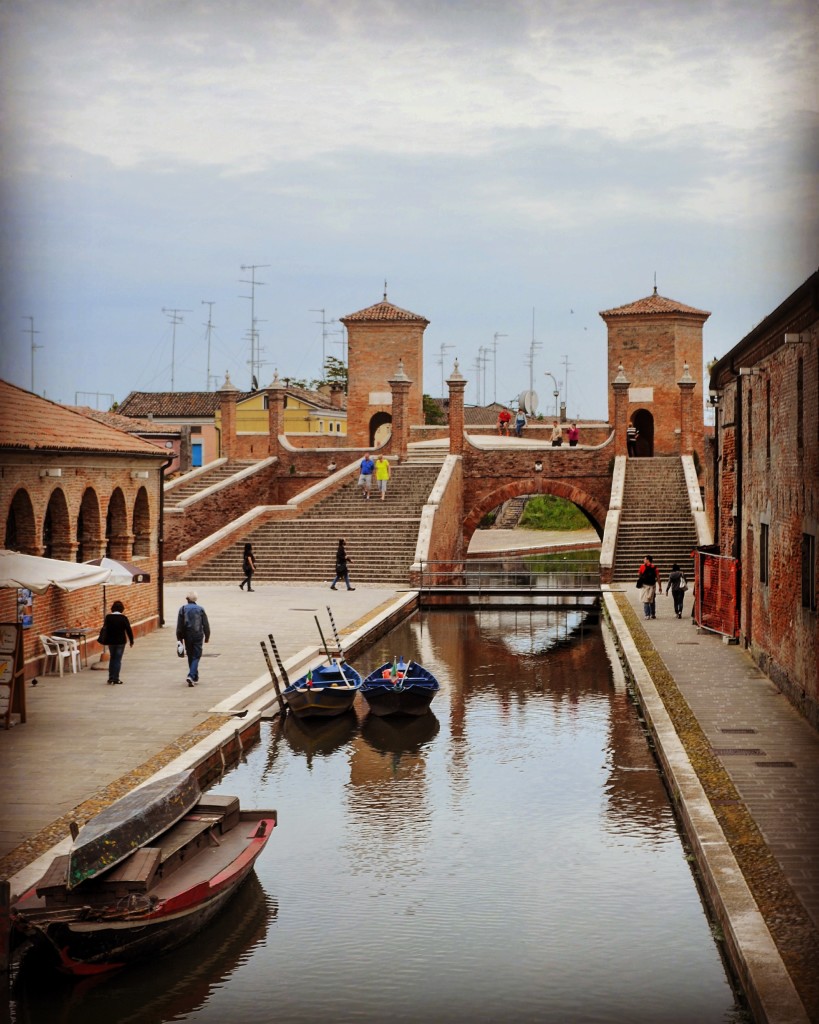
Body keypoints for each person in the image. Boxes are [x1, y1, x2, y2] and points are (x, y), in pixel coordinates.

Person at [176, 590, 211, 687]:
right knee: (196, 656)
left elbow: (179, 626)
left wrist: (179, 639)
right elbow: (205, 625)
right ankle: (191, 675)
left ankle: (194, 676)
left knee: (191, 655)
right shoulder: (200, 609)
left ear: (187, 599)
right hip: (198, 634)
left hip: (187, 635)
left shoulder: (182, 609)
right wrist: (207, 636)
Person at [102, 600, 134, 685]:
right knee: (117, 660)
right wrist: (131, 640)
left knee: (112, 658)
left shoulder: (108, 617)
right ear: (122, 609)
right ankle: (116, 679)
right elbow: (128, 630)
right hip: (120, 642)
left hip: (111, 642)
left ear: (112, 608)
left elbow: (105, 628)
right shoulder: (123, 618)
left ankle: (110, 678)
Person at [637, 555, 662, 620]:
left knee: (646, 601)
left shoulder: (642, 566)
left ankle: (647, 615)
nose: (643, 560)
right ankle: (653, 614)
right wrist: (660, 587)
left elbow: (639, 575)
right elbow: (658, 578)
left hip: (645, 586)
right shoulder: (655, 567)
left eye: (644, 559)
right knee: (652, 600)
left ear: (648, 560)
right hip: (652, 586)